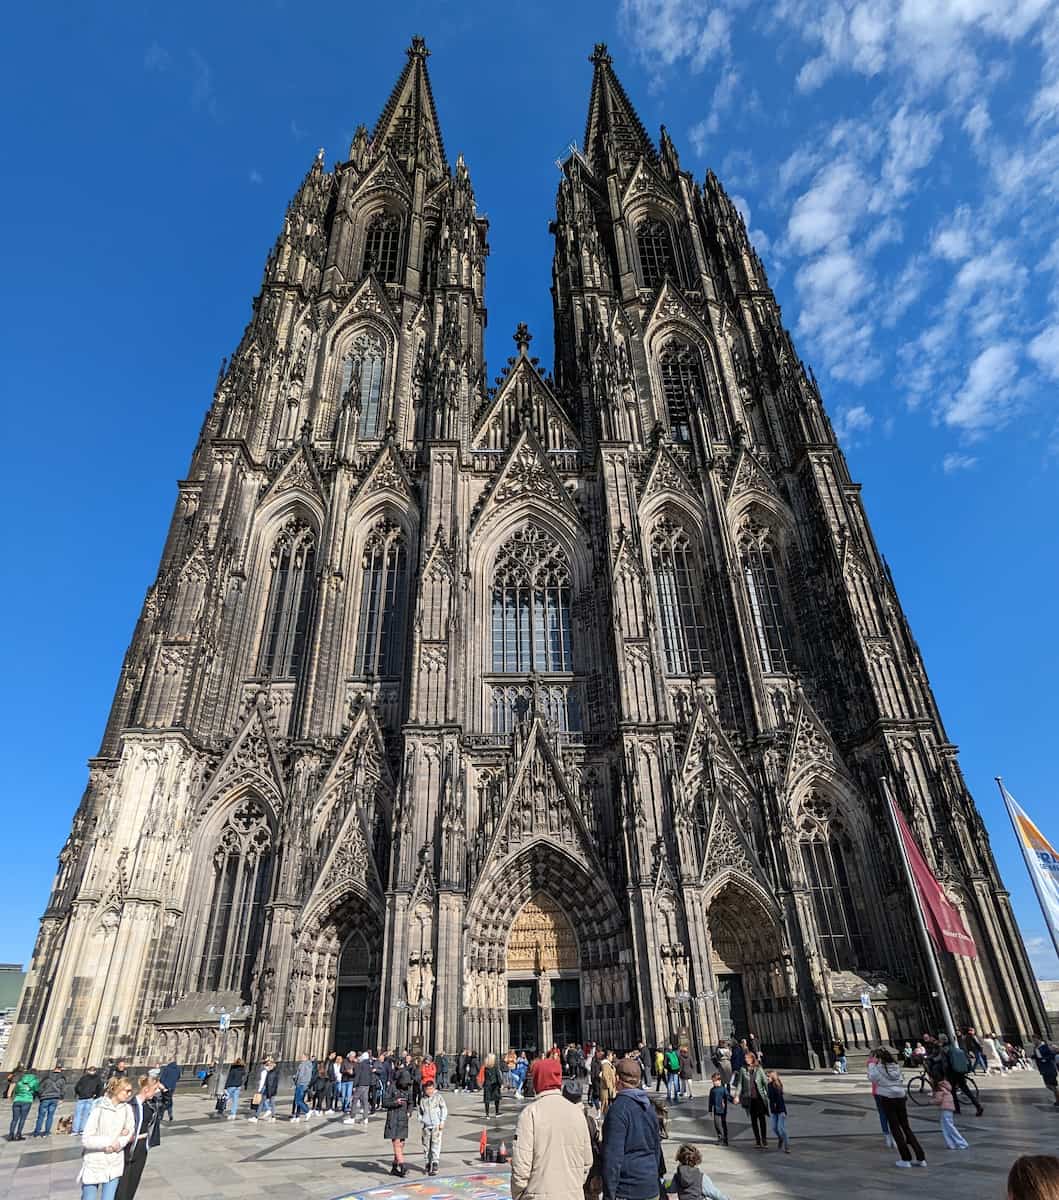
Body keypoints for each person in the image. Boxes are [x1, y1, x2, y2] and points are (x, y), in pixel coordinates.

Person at [512, 1057, 593, 1200]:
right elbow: (587, 1161)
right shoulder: (578, 1112)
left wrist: (519, 1195)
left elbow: (521, 1169)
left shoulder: (530, 1114)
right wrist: (573, 1186)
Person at [600, 1057, 665, 1200]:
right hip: (650, 1186)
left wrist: (609, 1195)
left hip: (628, 1189)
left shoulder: (618, 1110)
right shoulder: (648, 1106)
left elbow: (612, 1158)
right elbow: (656, 1149)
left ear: (617, 1079)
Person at [78, 1075, 135, 1200]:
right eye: (127, 1090)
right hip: (95, 1162)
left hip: (114, 1163)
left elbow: (130, 1130)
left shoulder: (127, 1109)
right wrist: (108, 1143)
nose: (129, 1094)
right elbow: (86, 1139)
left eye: (131, 1091)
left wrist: (119, 1143)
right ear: (116, 1089)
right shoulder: (99, 1108)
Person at [867, 1048, 926, 1169]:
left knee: (895, 1128)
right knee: (906, 1127)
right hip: (900, 1096)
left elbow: (872, 1078)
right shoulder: (896, 1066)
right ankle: (921, 1158)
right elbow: (900, 1079)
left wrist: (872, 1064)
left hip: (887, 1098)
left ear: (879, 1058)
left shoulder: (878, 1068)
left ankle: (905, 1159)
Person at [115, 1075, 163, 1200]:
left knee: (134, 1180)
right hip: (129, 1145)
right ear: (146, 1089)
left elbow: (165, 1101)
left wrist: (162, 1088)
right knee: (122, 1182)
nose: (156, 1092)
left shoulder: (151, 1105)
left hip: (142, 1146)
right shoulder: (130, 1105)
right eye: (155, 1089)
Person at [941, 1035, 984, 1117]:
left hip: (951, 1073)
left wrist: (945, 1074)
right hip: (959, 1071)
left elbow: (945, 1064)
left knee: (953, 1091)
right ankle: (978, 1105)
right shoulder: (954, 1048)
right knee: (966, 1090)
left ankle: (957, 1109)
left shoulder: (944, 1050)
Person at [735, 1051, 769, 1149]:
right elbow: (740, 1084)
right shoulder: (742, 1069)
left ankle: (764, 1139)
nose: (746, 1059)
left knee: (762, 1119)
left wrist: (769, 1094)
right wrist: (737, 1095)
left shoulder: (759, 1069)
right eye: (745, 1058)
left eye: (748, 1058)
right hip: (749, 1099)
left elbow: (765, 1082)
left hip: (759, 1098)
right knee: (753, 1120)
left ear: (752, 1058)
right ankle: (758, 1141)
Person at [383, 1068, 412, 1177]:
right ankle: (402, 1166)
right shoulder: (392, 1087)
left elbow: (411, 1102)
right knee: (396, 1142)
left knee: (401, 1144)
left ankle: (394, 1167)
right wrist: (396, 1102)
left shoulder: (408, 1089)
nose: (405, 1086)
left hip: (403, 1119)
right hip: (393, 1118)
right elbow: (384, 1102)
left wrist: (409, 1112)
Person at [416, 1076, 447, 1176]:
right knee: (426, 1145)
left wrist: (442, 1121)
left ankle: (435, 1163)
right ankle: (427, 1162)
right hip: (426, 1126)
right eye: (427, 1089)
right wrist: (421, 1119)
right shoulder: (422, 1099)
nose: (429, 1091)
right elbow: (420, 1112)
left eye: (431, 1089)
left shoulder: (438, 1097)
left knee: (435, 1144)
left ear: (433, 1088)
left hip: (436, 1125)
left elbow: (444, 1109)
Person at [930, 1076, 968, 1150]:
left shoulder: (939, 1089)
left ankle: (961, 1143)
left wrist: (931, 1101)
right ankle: (952, 1144)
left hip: (945, 1109)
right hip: (949, 1108)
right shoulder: (945, 1087)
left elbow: (938, 1100)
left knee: (949, 1127)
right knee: (946, 1127)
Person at [866, 1049, 893, 1149]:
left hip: (878, 1092)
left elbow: (870, 1077)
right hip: (887, 1092)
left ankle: (887, 1136)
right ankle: (892, 1135)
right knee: (890, 1113)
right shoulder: (888, 1064)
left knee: (883, 1113)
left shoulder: (871, 1065)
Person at [32, 1062, 67, 1137]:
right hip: (55, 1098)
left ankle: (37, 1132)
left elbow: (40, 1088)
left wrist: (41, 1096)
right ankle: (47, 1132)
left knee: (41, 1116)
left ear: (54, 1068)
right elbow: (63, 1090)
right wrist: (61, 1098)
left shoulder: (47, 1077)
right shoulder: (62, 1079)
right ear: (61, 1069)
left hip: (45, 1098)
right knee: (50, 1116)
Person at [7, 1065, 39, 1141]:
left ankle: (11, 1135)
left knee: (14, 1119)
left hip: (17, 1100)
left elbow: (17, 1091)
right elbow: (36, 1089)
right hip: (27, 1101)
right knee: (22, 1119)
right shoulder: (35, 1081)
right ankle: (18, 1134)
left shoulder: (20, 1081)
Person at [73, 1067, 105, 1136]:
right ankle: (81, 1130)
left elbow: (77, 1087)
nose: (91, 1072)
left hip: (85, 1098)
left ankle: (76, 1130)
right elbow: (100, 1088)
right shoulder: (95, 1078)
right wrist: (96, 1095)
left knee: (80, 1114)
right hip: (88, 1097)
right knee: (84, 1115)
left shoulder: (85, 1077)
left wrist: (79, 1093)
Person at [766, 1070, 790, 1153]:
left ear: (772, 1077)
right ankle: (780, 1138)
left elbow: (780, 1099)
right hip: (773, 1110)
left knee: (781, 1128)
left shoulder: (777, 1085)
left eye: (768, 1077)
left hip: (780, 1110)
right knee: (774, 1128)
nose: (767, 1078)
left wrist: (783, 1111)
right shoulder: (768, 1085)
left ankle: (787, 1146)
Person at [249, 1057, 278, 1122]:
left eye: (268, 1065)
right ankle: (273, 1117)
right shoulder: (275, 1072)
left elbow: (265, 1082)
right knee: (271, 1103)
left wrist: (261, 1090)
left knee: (262, 1103)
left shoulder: (268, 1073)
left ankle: (256, 1117)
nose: (267, 1067)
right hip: (272, 1090)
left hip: (268, 1090)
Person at [707, 1072, 728, 1146]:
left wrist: (735, 1100)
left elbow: (728, 1096)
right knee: (716, 1124)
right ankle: (720, 1137)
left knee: (723, 1124)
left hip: (723, 1110)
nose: (713, 1083)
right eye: (713, 1081)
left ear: (719, 1081)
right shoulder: (712, 1090)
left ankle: (725, 1139)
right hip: (716, 1109)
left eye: (714, 1081)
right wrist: (710, 1110)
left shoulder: (723, 1089)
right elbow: (710, 1101)